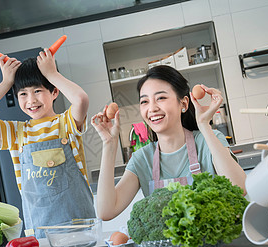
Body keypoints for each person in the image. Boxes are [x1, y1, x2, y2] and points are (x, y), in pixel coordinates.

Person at [0, 48, 96, 237]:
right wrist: (6, 82)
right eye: (23, 94)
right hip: (40, 230)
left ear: (54, 92)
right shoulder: (17, 132)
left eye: (37, 91)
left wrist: (52, 73)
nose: (31, 100)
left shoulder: (65, 123)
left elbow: (81, 99)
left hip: (80, 225)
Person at [91, 65, 246, 221]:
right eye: (144, 101)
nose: (152, 108)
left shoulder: (208, 141)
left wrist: (204, 124)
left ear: (184, 104)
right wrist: (109, 144)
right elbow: (106, 212)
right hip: (166, 246)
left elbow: (240, 188)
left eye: (161, 98)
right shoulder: (142, 159)